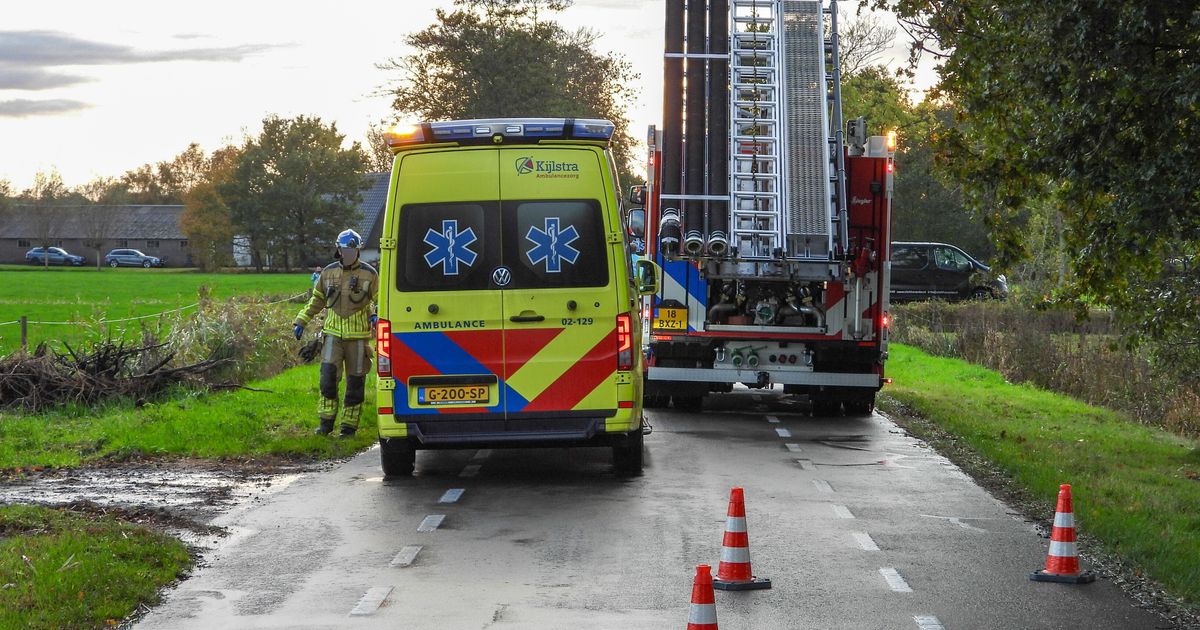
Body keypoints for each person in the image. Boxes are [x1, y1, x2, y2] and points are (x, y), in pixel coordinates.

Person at [293, 229, 378, 437]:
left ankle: (348, 428)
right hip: (332, 335)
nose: (348, 254)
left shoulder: (370, 274)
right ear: (338, 250)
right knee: (328, 379)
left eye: (352, 250)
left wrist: (377, 314)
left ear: (357, 251)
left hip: (358, 338)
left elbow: (380, 299)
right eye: (344, 250)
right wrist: (301, 321)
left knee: (355, 383)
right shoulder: (328, 273)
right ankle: (325, 424)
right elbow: (317, 300)